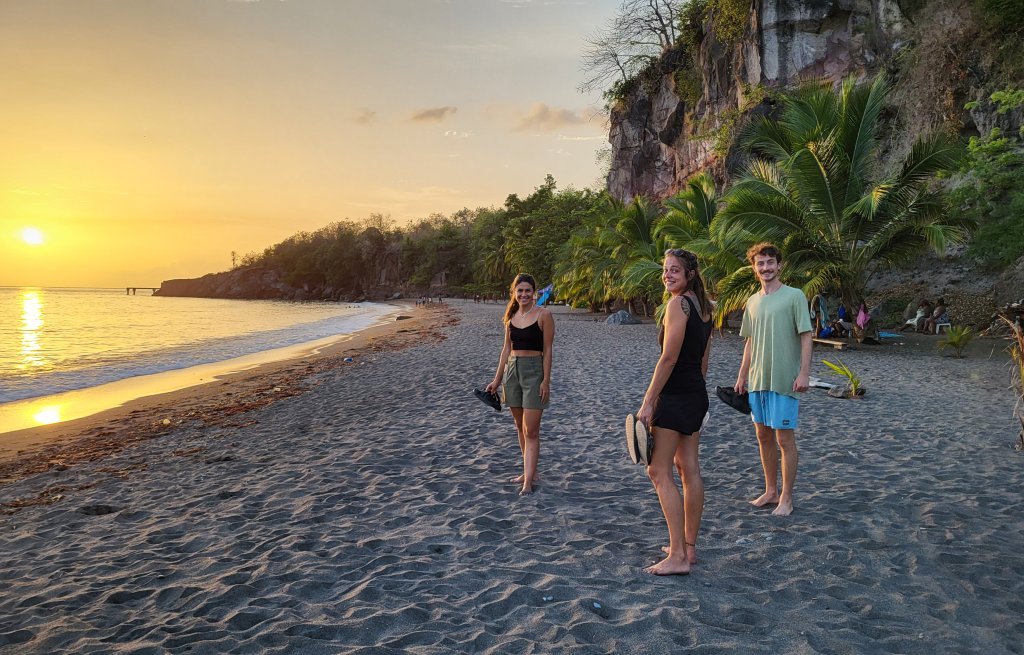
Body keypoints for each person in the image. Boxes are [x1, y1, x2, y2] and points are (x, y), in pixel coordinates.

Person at [635, 249, 713, 575]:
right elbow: (703, 361)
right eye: (665, 270)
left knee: (657, 471)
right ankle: (688, 548)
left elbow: (668, 358)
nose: (667, 275)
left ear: (690, 274)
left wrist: (649, 400)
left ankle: (678, 556)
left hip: (675, 397)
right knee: (688, 468)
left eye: (675, 270)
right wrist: (697, 395)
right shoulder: (705, 308)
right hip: (695, 395)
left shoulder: (677, 305)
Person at [734, 243, 812, 517]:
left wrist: (804, 373)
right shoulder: (752, 301)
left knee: (784, 439)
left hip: (784, 379)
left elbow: (806, 335)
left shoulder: (794, 296)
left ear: (780, 265)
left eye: (770, 262)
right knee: (763, 435)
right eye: (760, 263)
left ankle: (786, 498)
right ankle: (770, 491)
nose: (766, 267)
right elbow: (750, 341)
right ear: (754, 267)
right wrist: (742, 375)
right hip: (758, 380)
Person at [485, 273, 554, 495]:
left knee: (531, 430)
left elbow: (548, 350)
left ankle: (528, 483)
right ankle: (528, 472)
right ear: (514, 293)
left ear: (534, 292)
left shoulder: (544, 315)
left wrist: (545, 380)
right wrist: (497, 379)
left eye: (527, 290)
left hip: (534, 372)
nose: (524, 294)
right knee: (520, 427)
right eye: (520, 291)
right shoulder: (511, 316)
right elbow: (506, 349)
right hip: (512, 373)